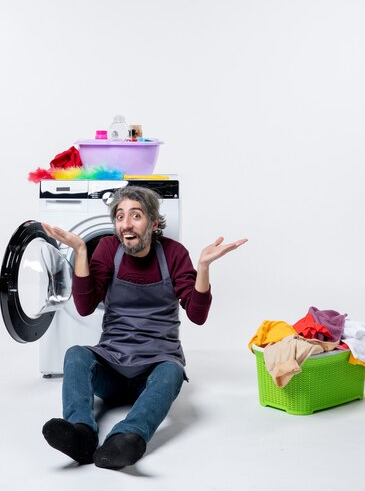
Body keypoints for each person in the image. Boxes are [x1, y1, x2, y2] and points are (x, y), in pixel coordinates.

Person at [41, 185, 247, 469]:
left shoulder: (174, 254)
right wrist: (79, 251)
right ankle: (81, 434)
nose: (126, 223)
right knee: (76, 354)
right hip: (111, 365)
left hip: (153, 370)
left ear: (152, 222)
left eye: (135, 215)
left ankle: (128, 437)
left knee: (172, 370)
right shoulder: (108, 249)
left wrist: (203, 267)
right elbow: (86, 306)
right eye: (120, 216)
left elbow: (197, 315)